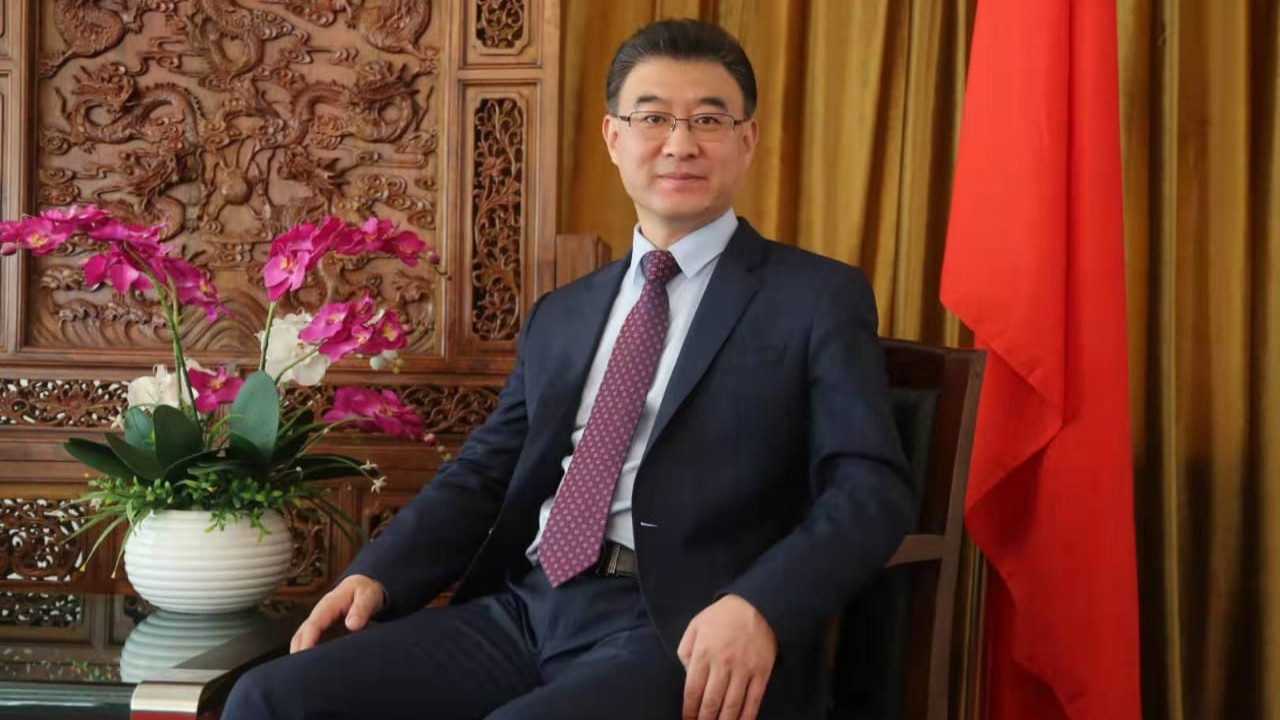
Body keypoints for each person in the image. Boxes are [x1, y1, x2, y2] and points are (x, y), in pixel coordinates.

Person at [225, 18, 914, 720]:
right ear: (614, 138)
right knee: (269, 698)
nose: (680, 143)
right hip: (529, 605)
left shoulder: (814, 297)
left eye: (709, 120)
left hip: (684, 627)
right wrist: (379, 572)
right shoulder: (564, 312)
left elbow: (870, 487)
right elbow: (486, 471)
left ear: (748, 139)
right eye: (653, 118)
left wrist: (759, 603)